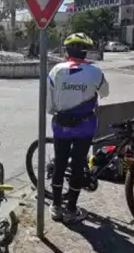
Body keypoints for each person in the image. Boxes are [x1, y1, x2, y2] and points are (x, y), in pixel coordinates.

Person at [47, 33, 109, 223]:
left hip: (61, 127)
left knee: (60, 164)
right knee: (77, 166)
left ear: (67, 51)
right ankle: (71, 209)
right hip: (84, 127)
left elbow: (49, 103)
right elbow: (105, 93)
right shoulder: (95, 72)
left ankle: (56, 207)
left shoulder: (56, 70)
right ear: (86, 52)